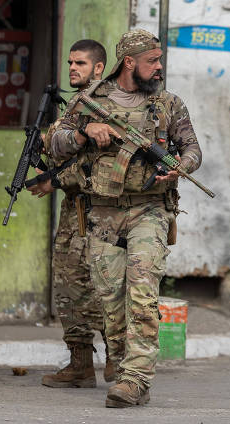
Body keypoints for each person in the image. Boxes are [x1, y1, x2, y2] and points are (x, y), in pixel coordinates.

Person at [51, 29, 202, 408]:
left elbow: (193, 148)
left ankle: (136, 378)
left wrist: (180, 166)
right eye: (153, 61)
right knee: (110, 299)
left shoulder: (168, 104)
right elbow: (55, 143)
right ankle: (121, 366)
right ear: (129, 62)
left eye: (160, 60)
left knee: (141, 293)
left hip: (150, 210)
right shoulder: (91, 101)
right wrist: (86, 131)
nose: (160, 67)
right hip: (103, 212)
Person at [26, 39, 115, 388]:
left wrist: (57, 180)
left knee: (100, 286)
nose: (72, 68)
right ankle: (80, 364)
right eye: (70, 63)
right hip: (75, 208)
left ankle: (117, 358)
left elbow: (102, 162)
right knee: (67, 286)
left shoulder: (107, 106)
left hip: (103, 212)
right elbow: (64, 148)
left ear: (98, 68)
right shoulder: (77, 104)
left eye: (80, 63)